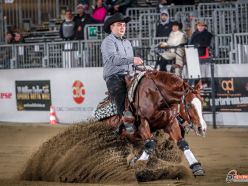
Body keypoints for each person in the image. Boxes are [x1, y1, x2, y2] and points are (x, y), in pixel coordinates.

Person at [101, 13, 143, 135]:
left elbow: (131, 63)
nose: (123, 27)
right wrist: (132, 60)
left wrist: (140, 67)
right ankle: (125, 123)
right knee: (120, 93)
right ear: (111, 27)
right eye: (119, 25)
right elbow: (114, 60)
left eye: (124, 25)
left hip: (129, 75)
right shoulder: (107, 42)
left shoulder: (127, 42)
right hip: (114, 77)